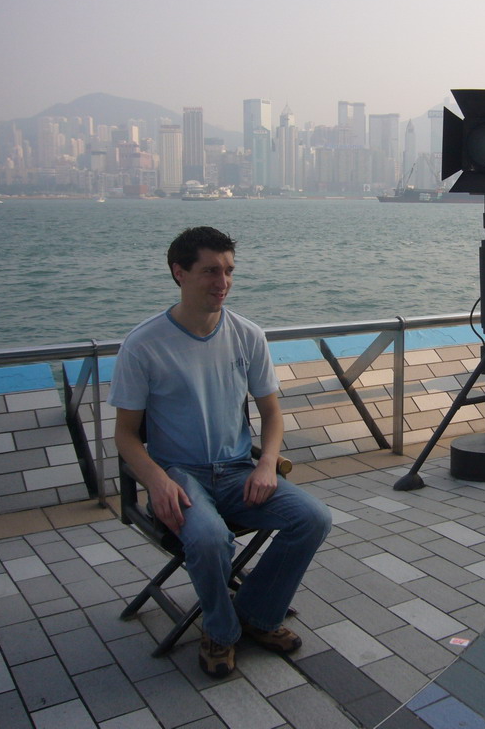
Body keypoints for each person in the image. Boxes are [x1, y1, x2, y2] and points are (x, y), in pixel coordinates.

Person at [109, 226, 331, 678]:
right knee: (209, 539)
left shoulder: (247, 335)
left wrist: (266, 463)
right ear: (179, 273)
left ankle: (254, 614)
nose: (222, 282)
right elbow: (125, 434)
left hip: (236, 469)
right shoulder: (144, 344)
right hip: (179, 475)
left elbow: (272, 415)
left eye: (229, 271)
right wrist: (156, 480)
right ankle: (221, 631)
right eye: (210, 271)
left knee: (313, 518)